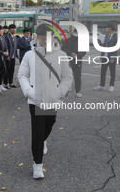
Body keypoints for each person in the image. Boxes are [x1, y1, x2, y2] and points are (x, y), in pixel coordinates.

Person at [18, 23, 72, 179]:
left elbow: (67, 76)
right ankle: (37, 165)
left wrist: (60, 91)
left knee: (50, 123)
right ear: (37, 37)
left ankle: (43, 141)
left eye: (47, 37)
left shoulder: (60, 54)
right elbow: (22, 75)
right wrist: (30, 91)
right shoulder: (30, 55)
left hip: (53, 98)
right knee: (37, 131)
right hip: (36, 99)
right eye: (42, 37)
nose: (45, 40)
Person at [61, 28, 86, 98]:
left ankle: (78, 91)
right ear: (73, 32)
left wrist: (78, 55)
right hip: (68, 59)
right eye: (75, 32)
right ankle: (66, 89)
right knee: (66, 75)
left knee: (77, 76)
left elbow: (84, 51)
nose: (76, 33)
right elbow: (63, 48)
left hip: (78, 60)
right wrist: (70, 53)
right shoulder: (68, 40)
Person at [94, 23, 118, 92]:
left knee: (112, 72)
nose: (106, 29)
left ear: (110, 28)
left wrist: (113, 58)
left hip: (111, 57)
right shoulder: (107, 35)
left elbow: (117, 48)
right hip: (105, 56)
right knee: (103, 71)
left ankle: (111, 85)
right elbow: (104, 45)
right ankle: (102, 85)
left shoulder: (116, 36)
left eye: (107, 27)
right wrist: (102, 54)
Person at [4, 24, 19, 89]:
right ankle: (5, 83)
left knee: (12, 70)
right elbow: (5, 47)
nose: (14, 30)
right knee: (7, 70)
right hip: (8, 56)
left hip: (13, 57)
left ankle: (11, 82)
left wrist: (16, 55)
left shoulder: (15, 37)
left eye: (15, 28)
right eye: (13, 28)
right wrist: (7, 56)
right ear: (10, 29)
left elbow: (15, 47)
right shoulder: (6, 37)